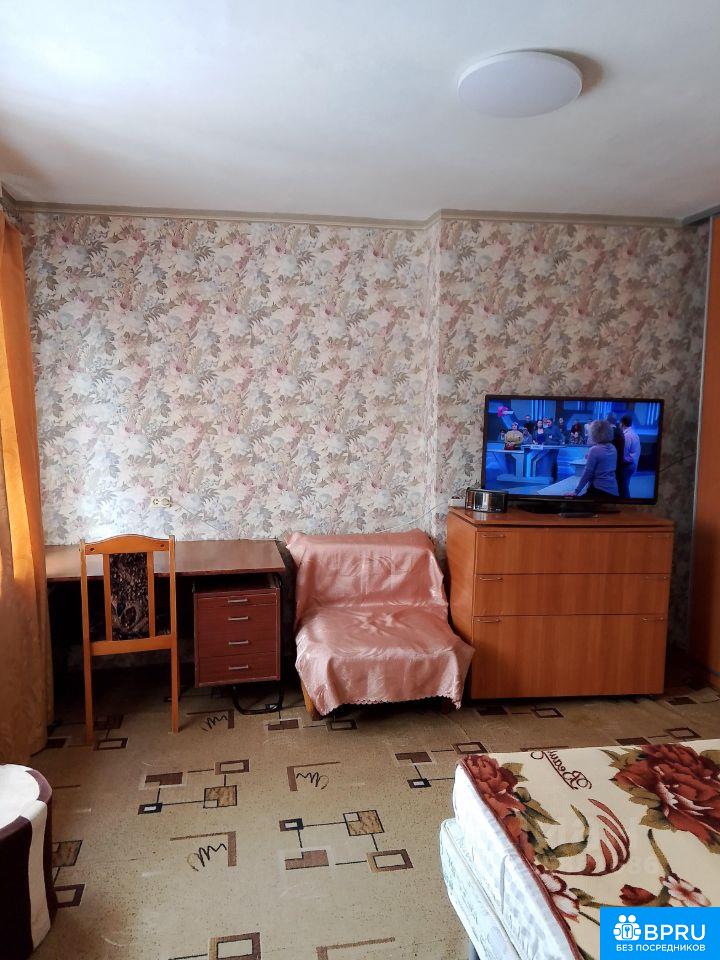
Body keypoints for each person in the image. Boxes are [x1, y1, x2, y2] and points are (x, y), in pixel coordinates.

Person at [571, 419, 619, 499]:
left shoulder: (594, 450)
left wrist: (576, 492)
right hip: (613, 490)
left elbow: (587, 473)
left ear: (594, 433)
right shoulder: (613, 448)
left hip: (599, 491)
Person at [620, 414, 641, 498]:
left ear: (622, 423)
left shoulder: (627, 436)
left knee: (623, 488)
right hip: (632, 464)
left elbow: (624, 453)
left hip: (627, 465)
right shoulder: (634, 433)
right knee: (625, 486)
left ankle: (626, 502)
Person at [606, 413, 625, 495]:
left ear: (607, 421)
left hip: (612, 465)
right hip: (619, 462)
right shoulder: (620, 431)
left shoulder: (609, 433)